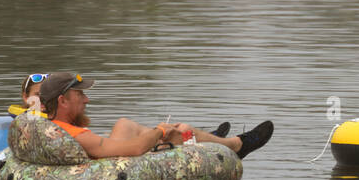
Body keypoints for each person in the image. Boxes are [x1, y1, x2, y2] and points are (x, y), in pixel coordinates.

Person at [37, 71, 273, 160]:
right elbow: (133, 150)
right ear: (63, 101)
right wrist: (159, 132)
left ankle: (208, 139)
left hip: (103, 153)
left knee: (124, 123)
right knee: (177, 133)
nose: (87, 100)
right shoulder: (73, 134)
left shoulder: (50, 124)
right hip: (113, 165)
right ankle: (236, 145)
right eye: (81, 96)